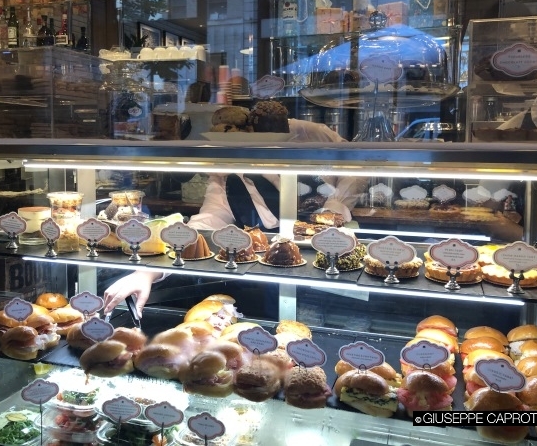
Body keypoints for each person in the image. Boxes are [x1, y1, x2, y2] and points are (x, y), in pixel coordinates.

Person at [102, 118, 366, 316]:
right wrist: (148, 272)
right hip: (268, 274)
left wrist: (333, 208)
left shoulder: (306, 132)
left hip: (329, 266)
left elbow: (357, 164)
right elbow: (207, 223)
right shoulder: (227, 174)